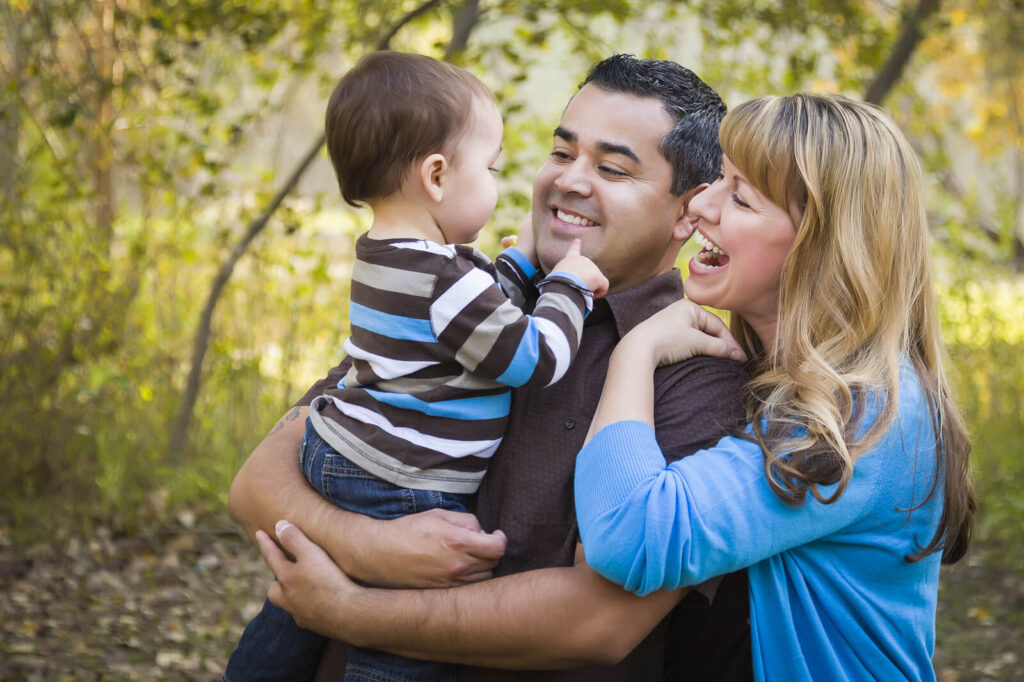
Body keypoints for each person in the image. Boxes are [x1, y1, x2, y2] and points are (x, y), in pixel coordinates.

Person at [230, 54, 754, 681]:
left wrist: (350, 609)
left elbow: (597, 623)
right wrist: (375, 547)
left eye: (612, 167)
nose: (570, 181)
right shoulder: (468, 294)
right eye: (562, 154)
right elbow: (259, 480)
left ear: (687, 212)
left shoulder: (701, 373)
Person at [573, 94, 976, 681]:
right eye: (717, 179)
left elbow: (627, 537)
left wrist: (632, 354)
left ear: (819, 245)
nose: (701, 203)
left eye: (739, 196)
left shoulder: (862, 414)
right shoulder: (802, 387)